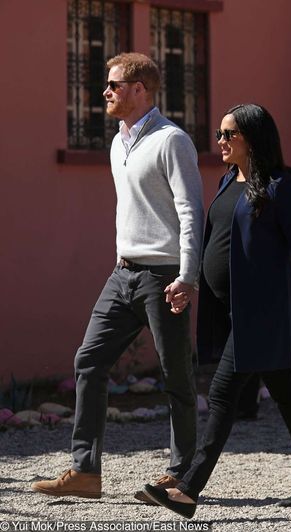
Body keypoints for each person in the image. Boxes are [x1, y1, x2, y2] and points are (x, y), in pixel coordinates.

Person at [143, 103, 291, 518]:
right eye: (219, 134)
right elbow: (215, 242)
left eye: (228, 134)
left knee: (222, 394)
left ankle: (187, 490)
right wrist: (189, 283)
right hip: (231, 311)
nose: (219, 141)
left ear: (252, 139)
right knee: (287, 396)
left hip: (264, 314)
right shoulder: (226, 182)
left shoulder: (280, 187)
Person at [31, 53, 204, 501]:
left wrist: (187, 276)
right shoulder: (117, 142)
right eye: (106, 85)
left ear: (140, 89)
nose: (105, 92)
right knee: (88, 360)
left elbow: (189, 211)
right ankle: (85, 472)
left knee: (176, 376)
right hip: (122, 273)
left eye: (114, 85)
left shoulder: (172, 141)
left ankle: (181, 474)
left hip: (164, 276)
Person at [238, 167, 291, 419]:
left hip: (284, 270)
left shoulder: (290, 179)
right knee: (246, 329)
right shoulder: (234, 180)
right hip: (249, 270)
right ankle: (245, 404)